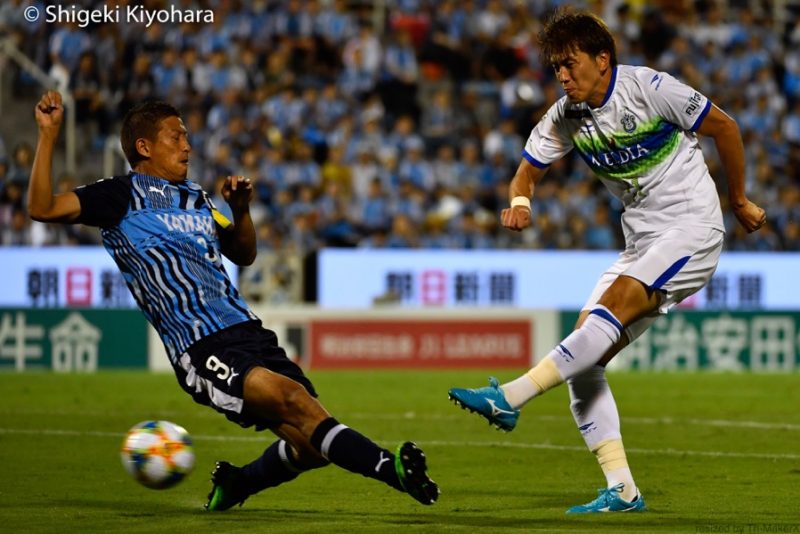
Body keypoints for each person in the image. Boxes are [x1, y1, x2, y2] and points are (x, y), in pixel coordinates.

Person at [28, 91, 439, 510]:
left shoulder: (198, 199)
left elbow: (243, 254)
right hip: (200, 344)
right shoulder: (119, 196)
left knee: (312, 446)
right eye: (176, 137)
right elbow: (42, 207)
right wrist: (48, 136)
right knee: (295, 401)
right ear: (144, 147)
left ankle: (237, 483)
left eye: (187, 136)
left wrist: (240, 210)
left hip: (248, 329)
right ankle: (394, 470)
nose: (187, 145)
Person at [448, 10, 765, 514]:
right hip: (641, 245)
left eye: (570, 65)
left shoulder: (649, 88)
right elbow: (525, 173)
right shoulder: (564, 116)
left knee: (610, 310)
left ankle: (509, 397)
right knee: (583, 359)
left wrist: (740, 199)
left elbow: (724, 126)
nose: (563, 76)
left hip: (692, 228)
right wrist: (522, 203)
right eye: (556, 68)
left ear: (602, 59)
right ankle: (622, 489)